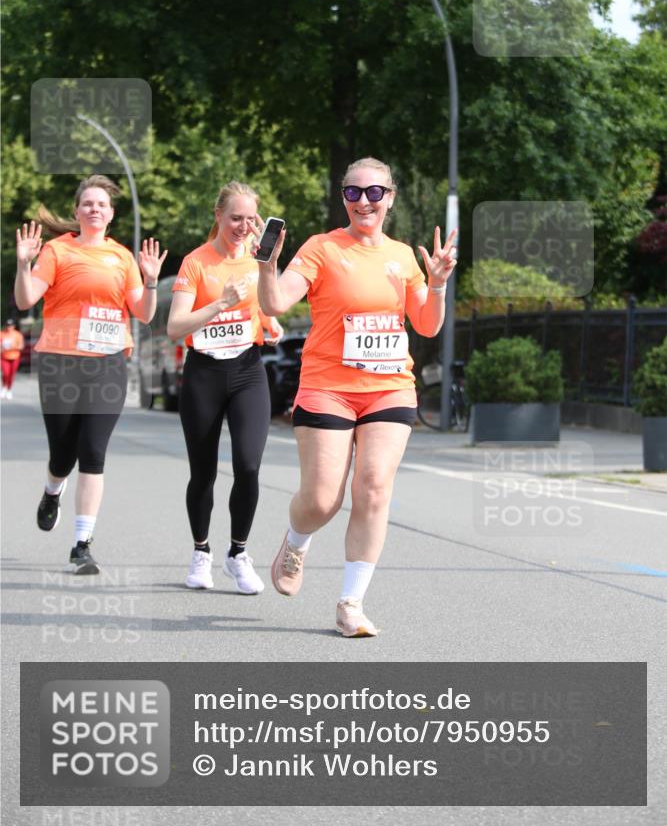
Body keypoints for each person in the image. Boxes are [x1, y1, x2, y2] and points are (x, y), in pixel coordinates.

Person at [256, 157, 457, 637]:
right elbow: (275, 303)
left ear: (390, 198)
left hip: (389, 387)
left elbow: (426, 324)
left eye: (374, 192)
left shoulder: (405, 255)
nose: (363, 201)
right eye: (353, 193)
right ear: (343, 198)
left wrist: (437, 284)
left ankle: (351, 603)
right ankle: (296, 541)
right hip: (327, 388)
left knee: (372, 489)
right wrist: (267, 265)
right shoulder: (322, 248)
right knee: (323, 499)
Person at [14, 174, 167, 574]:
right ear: (77, 211)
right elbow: (26, 297)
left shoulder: (121, 258)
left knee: (93, 453)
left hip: (108, 364)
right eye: (88, 204)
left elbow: (145, 314)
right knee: (63, 455)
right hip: (59, 363)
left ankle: (82, 543)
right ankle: (52, 490)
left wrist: (150, 282)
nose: (94, 208)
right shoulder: (57, 250)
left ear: (111, 214)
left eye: (101, 204)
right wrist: (23, 263)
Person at [167, 181, 284, 594]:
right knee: (203, 472)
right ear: (218, 216)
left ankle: (238, 553)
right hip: (204, 374)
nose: (243, 225)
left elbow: (271, 307)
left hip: (248, 370)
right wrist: (220, 302)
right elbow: (174, 326)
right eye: (236, 217)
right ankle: (201, 552)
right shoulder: (196, 263)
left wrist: (272, 325)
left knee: (249, 465)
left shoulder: (259, 260)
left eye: (250, 218)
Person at [1, 318, 25, 399]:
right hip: (4, 357)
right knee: (5, 373)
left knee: (11, 374)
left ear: (14, 326)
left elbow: (21, 346)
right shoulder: (2, 334)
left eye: (10, 325)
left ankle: (9, 389)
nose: (9, 327)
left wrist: (12, 347)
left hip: (15, 357)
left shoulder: (18, 335)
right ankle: (4, 387)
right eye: (7, 325)